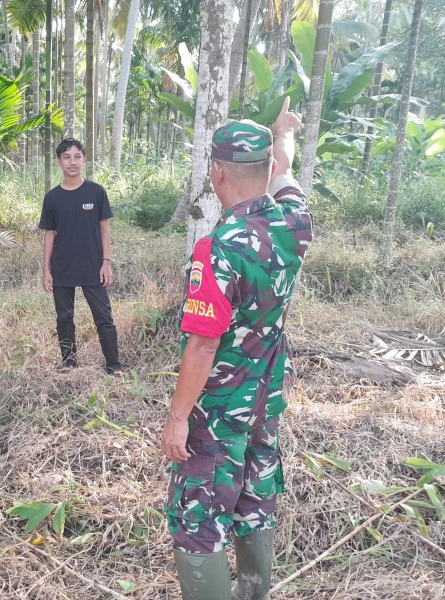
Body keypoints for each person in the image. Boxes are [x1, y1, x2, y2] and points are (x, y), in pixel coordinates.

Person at [161, 98, 312, 600]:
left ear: (217, 172)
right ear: (265, 169)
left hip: (219, 410)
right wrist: (282, 132)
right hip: (265, 403)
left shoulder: (219, 248)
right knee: (254, 501)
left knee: (199, 515)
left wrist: (179, 416)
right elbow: (286, 169)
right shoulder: (295, 224)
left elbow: (203, 345)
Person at [39, 138, 123, 375]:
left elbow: (104, 228)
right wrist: (46, 269)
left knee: (104, 317)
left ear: (83, 159)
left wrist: (106, 262)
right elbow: (49, 234)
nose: (72, 162)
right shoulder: (52, 198)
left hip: (93, 266)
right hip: (62, 267)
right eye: (67, 157)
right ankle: (69, 363)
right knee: (64, 318)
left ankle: (113, 365)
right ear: (59, 162)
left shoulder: (96, 192)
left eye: (77, 156)